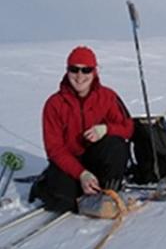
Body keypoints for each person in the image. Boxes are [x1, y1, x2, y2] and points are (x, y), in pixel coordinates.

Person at [29, 46, 134, 213]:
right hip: (70, 163)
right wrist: (81, 174)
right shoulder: (54, 104)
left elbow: (128, 129)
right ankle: (44, 185)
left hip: (96, 158)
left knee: (116, 145)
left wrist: (106, 129)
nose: (80, 76)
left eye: (86, 70)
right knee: (62, 202)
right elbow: (55, 150)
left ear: (94, 72)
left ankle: (108, 192)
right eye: (74, 69)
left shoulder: (108, 96)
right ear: (67, 70)